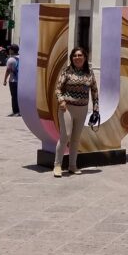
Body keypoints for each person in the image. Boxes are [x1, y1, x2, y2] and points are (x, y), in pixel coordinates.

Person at [53, 47, 98, 177]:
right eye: (75, 56)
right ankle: (57, 165)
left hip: (82, 109)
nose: (77, 58)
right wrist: (61, 101)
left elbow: (94, 91)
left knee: (76, 138)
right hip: (67, 108)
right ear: (72, 58)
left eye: (80, 55)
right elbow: (58, 89)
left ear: (85, 57)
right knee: (65, 136)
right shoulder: (66, 71)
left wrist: (96, 109)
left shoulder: (89, 73)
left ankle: (72, 165)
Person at [3, 44, 20, 116]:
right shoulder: (22, 58)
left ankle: (16, 111)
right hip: (22, 81)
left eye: (10, 49)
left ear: (12, 50)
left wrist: (5, 80)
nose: (9, 50)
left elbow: (8, 70)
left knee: (14, 96)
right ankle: (20, 111)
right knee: (19, 96)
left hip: (13, 81)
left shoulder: (11, 60)